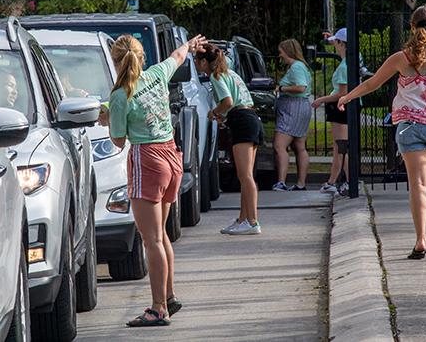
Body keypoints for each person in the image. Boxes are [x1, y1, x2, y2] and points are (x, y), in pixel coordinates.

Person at [338, 4, 426, 259]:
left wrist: (348, 97)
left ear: (412, 26)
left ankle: (420, 240)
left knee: (417, 184)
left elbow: (372, 83)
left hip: (410, 127)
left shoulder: (400, 58)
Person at [102, 32, 206, 327]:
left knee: (151, 240)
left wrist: (108, 118)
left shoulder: (120, 95)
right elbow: (177, 56)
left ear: (115, 62)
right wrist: (190, 44)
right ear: (142, 56)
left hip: (146, 160)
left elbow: (120, 140)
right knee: (160, 236)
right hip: (171, 156)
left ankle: (158, 308)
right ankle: (169, 296)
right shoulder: (157, 74)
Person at [194, 44, 264, 235]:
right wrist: (223, 115)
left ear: (203, 62)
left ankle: (252, 221)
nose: (195, 64)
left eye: (196, 60)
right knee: (246, 176)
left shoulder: (215, 76)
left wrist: (213, 112)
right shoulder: (231, 73)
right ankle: (243, 219)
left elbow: (228, 101)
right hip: (251, 118)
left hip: (242, 121)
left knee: (245, 176)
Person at [312, 28, 350, 194]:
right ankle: (335, 180)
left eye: (336, 42)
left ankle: (343, 180)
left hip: (340, 108)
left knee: (341, 146)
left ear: (341, 43)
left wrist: (321, 99)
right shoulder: (353, 61)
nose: (334, 45)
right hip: (346, 107)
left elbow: (342, 93)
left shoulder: (344, 66)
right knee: (342, 146)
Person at [272, 38, 312, 191]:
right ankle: (301, 183)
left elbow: (301, 87)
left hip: (292, 108)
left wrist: (281, 89)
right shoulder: (300, 66)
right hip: (300, 107)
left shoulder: (296, 67)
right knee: (299, 146)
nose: (279, 55)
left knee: (279, 145)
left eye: (281, 51)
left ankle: (281, 182)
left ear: (288, 51)